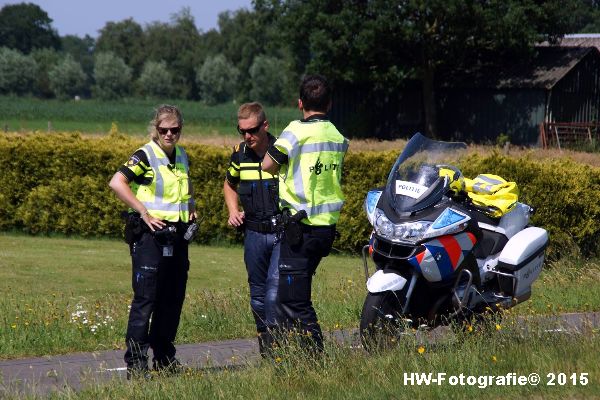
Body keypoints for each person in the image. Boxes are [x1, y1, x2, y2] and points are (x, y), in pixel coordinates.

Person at [262, 74, 349, 353]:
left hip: (301, 228)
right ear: (330, 103)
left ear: (300, 103)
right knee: (294, 294)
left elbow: (267, 165)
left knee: (294, 300)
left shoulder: (295, 131)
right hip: (326, 228)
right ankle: (296, 354)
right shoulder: (337, 136)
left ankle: (312, 358)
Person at [109, 104, 196, 379]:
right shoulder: (144, 155)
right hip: (150, 239)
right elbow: (117, 182)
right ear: (155, 130)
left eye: (175, 129)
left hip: (178, 236)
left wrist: (192, 205)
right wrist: (143, 212)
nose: (169, 134)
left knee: (172, 300)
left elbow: (186, 186)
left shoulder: (182, 155)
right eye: (164, 130)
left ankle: (164, 358)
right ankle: (136, 364)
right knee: (146, 301)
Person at [223, 102, 281, 356]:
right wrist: (233, 211)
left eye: (253, 130)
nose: (248, 136)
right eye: (242, 131)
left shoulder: (282, 151)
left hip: (281, 233)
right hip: (254, 234)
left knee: (275, 293)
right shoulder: (239, 153)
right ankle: (268, 352)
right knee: (257, 297)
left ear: (265, 126)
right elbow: (229, 185)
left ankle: (283, 346)